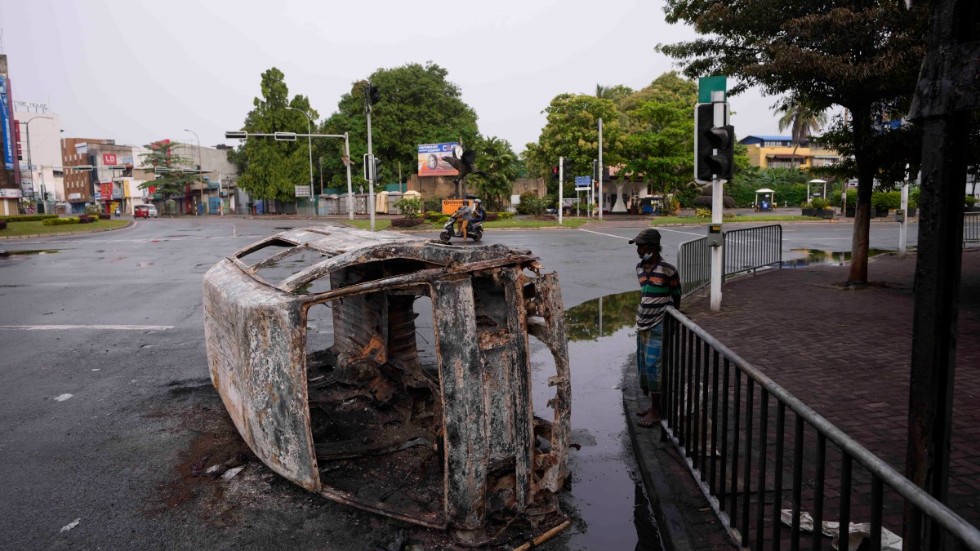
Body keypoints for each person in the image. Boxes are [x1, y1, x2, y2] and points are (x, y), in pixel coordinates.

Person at [629, 228, 681, 428]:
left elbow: (676, 294)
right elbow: (646, 294)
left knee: (654, 367)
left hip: (659, 323)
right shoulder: (639, 268)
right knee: (644, 366)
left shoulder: (668, 269)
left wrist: (674, 318)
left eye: (641, 246)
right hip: (642, 321)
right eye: (638, 247)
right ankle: (653, 406)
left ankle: (657, 411)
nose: (639, 250)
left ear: (652, 246)